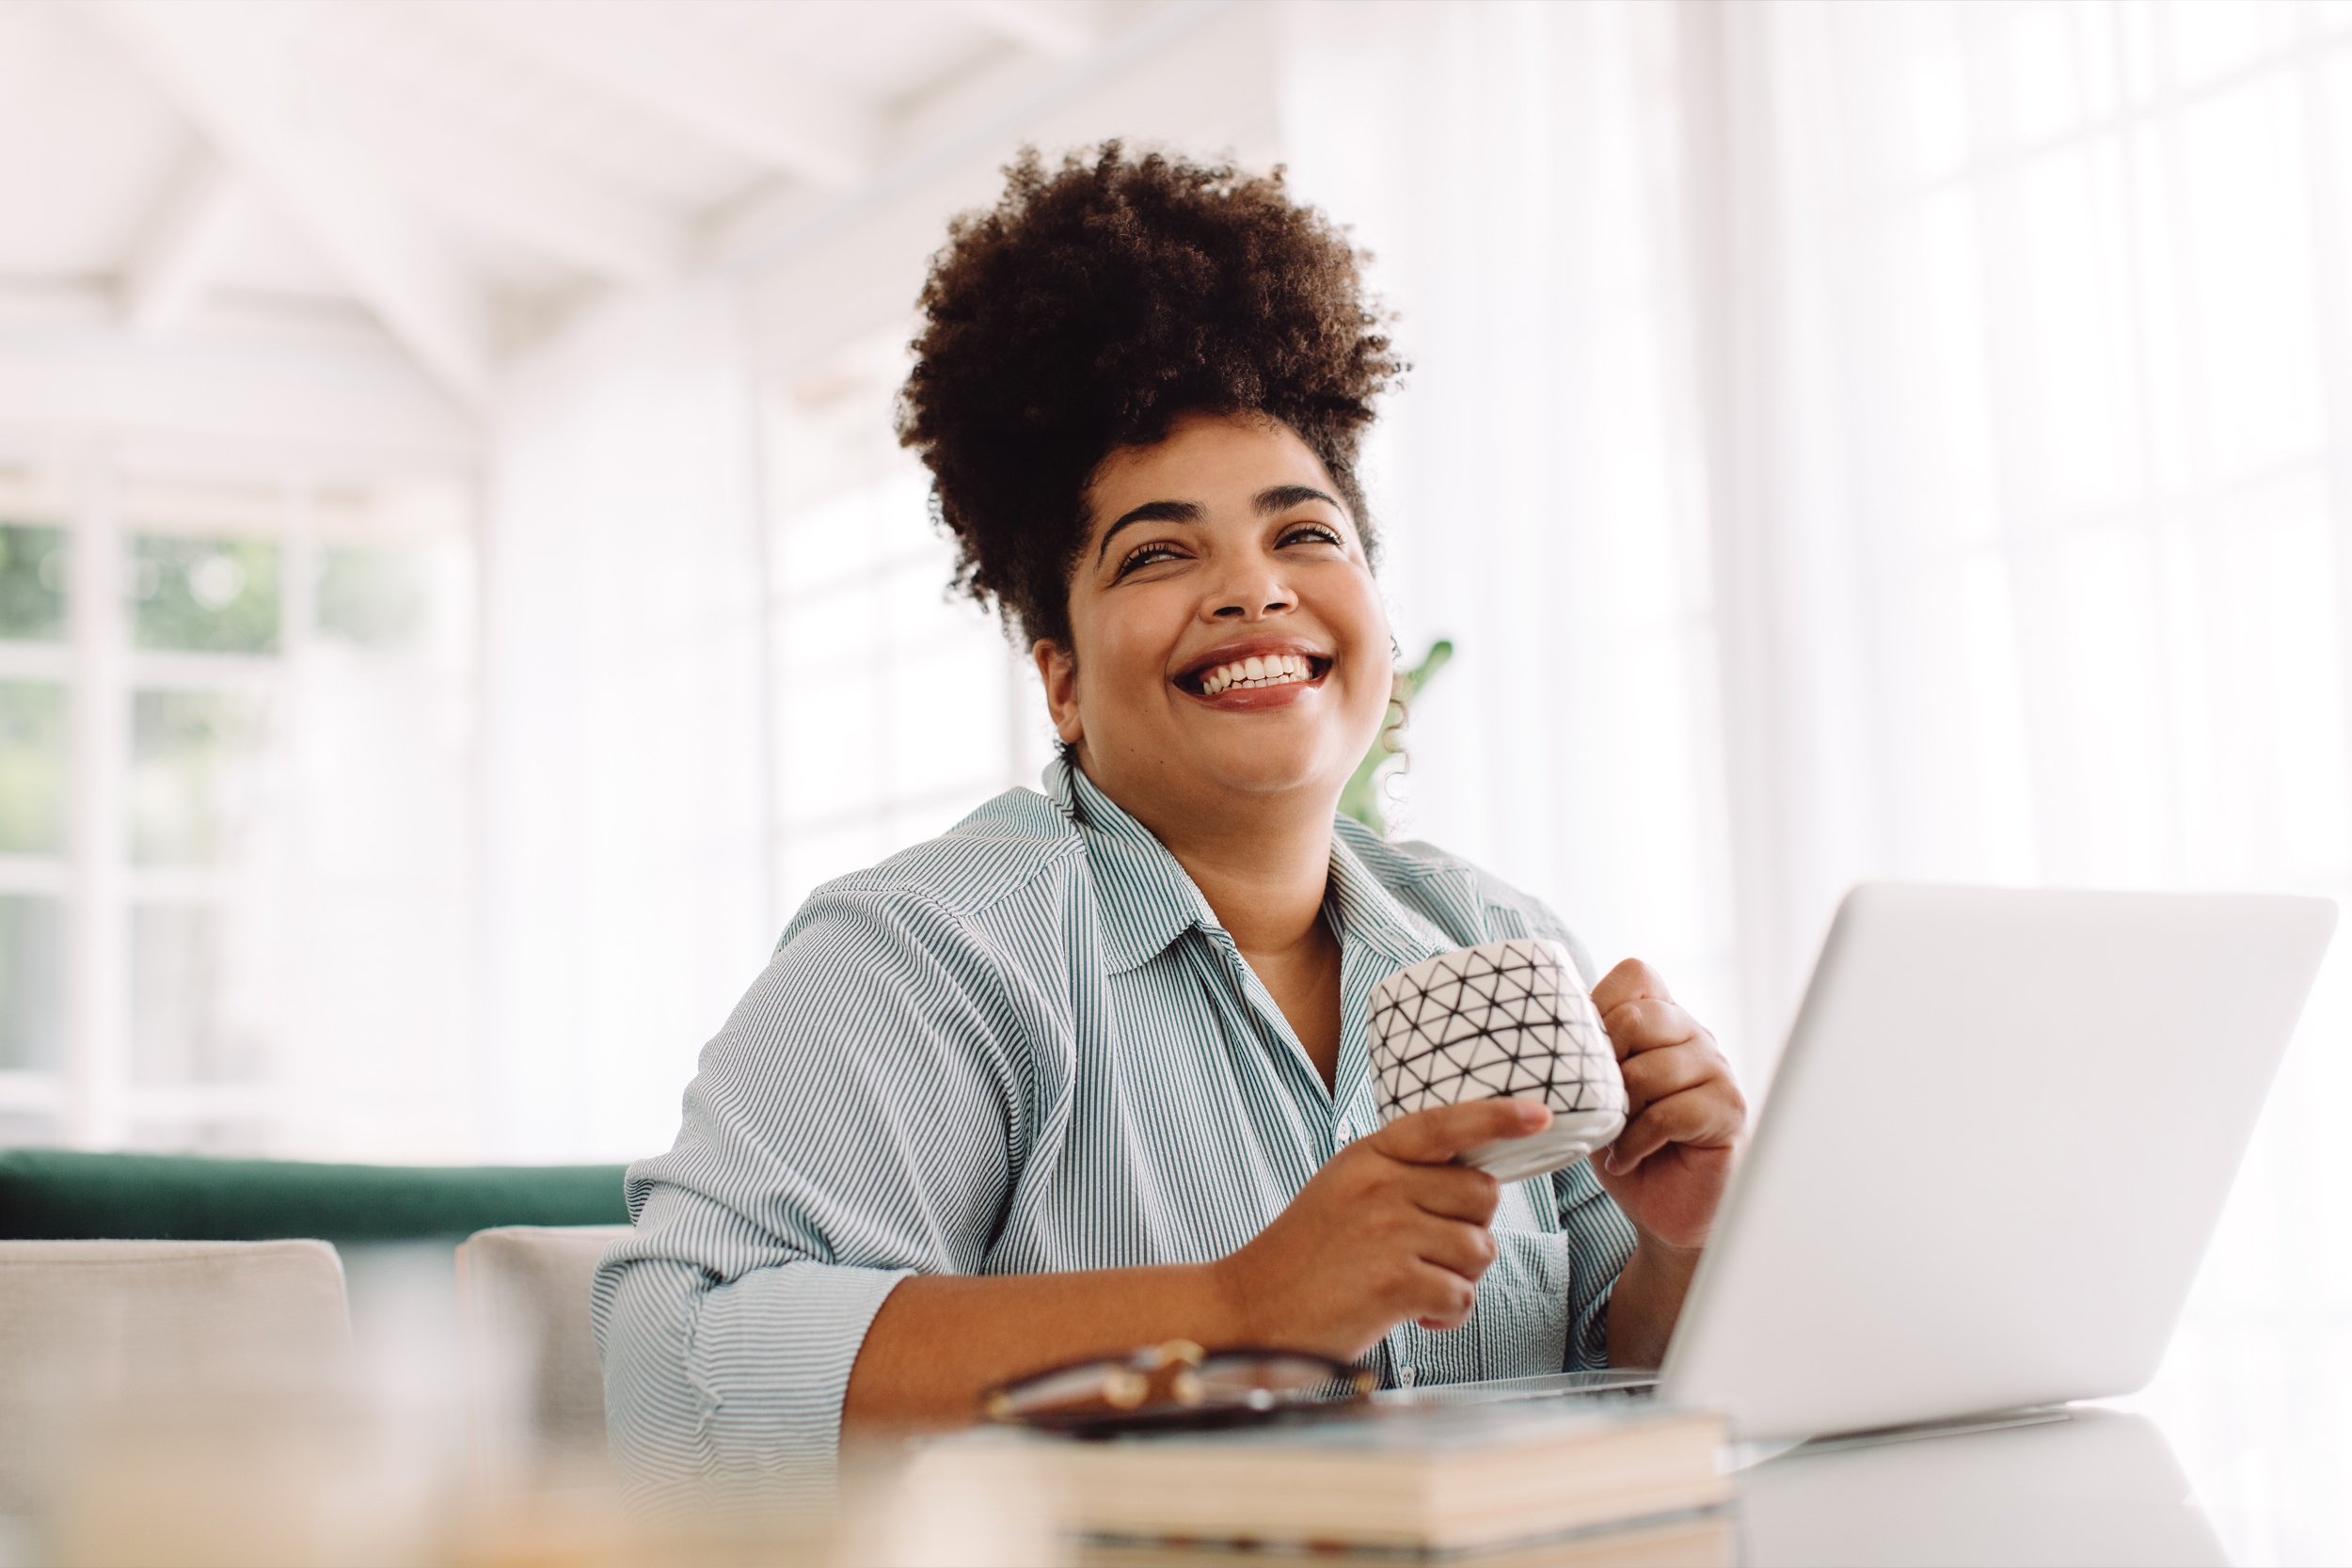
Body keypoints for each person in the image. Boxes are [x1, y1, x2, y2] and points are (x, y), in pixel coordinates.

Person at [592, 143, 1745, 1498]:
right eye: (1157, 552)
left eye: (1304, 534)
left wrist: (1681, 1244)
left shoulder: (1495, 941)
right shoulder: (928, 957)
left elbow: (1619, 1382)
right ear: (1061, 679)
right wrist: (1238, 1306)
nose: (1254, 591)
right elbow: (673, 1377)